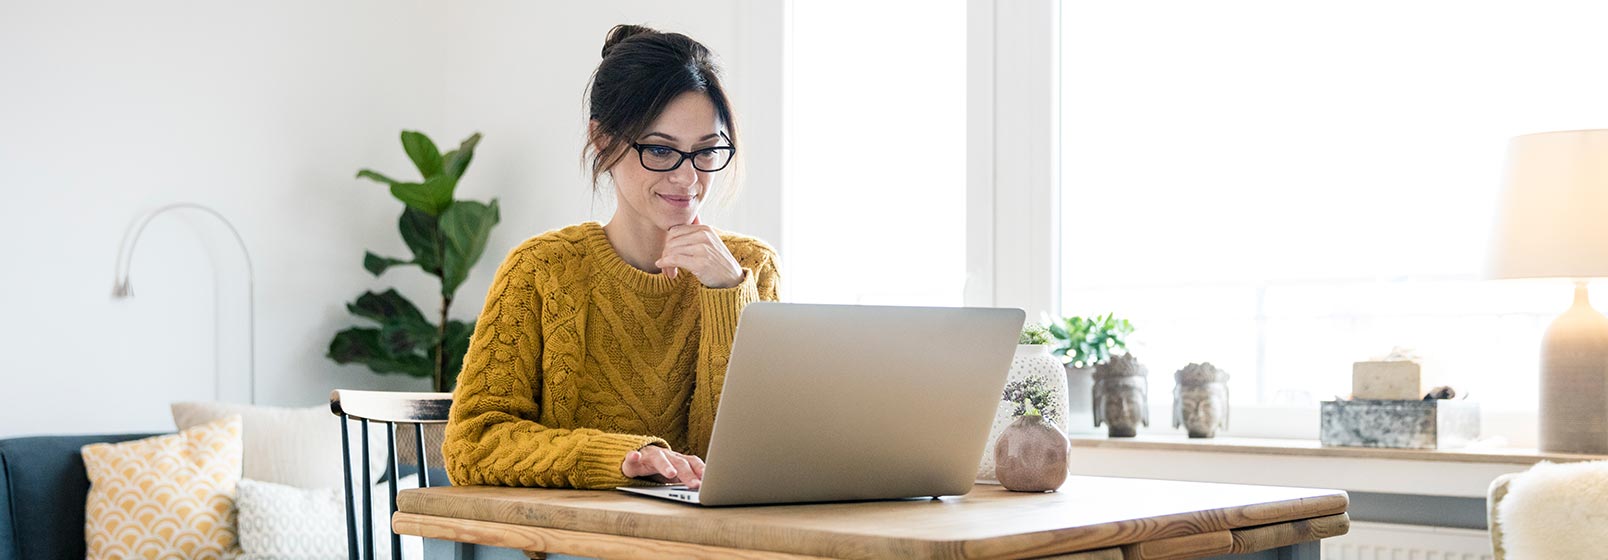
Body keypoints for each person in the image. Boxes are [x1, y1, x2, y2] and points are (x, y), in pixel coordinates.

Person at [442, 24, 780, 490]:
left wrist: (727, 297)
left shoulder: (750, 270)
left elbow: (757, 456)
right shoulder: (542, 271)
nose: (688, 178)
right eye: (661, 150)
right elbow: (472, 444)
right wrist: (620, 458)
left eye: (706, 152)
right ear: (603, 141)